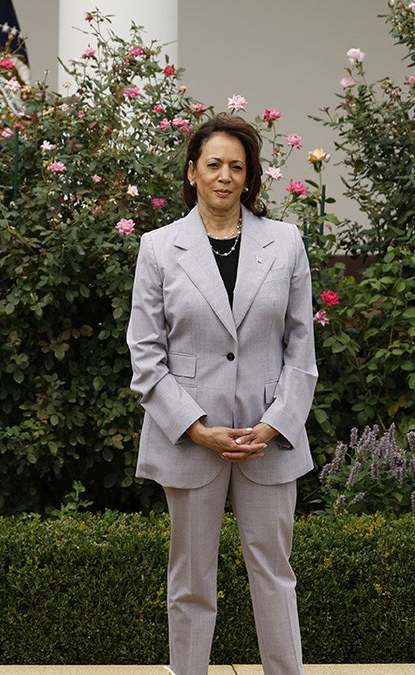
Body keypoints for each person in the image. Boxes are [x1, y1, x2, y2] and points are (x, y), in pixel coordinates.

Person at [127, 112, 317, 675]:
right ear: (192, 171)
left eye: (238, 166)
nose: (225, 176)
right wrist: (196, 428)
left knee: (275, 572)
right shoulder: (159, 249)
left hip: (269, 439)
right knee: (190, 578)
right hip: (190, 440)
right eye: (214, 164)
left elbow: (301, 349)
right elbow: (145, 355)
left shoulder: (286, 243)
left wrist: (277, 423)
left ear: (251, 176)